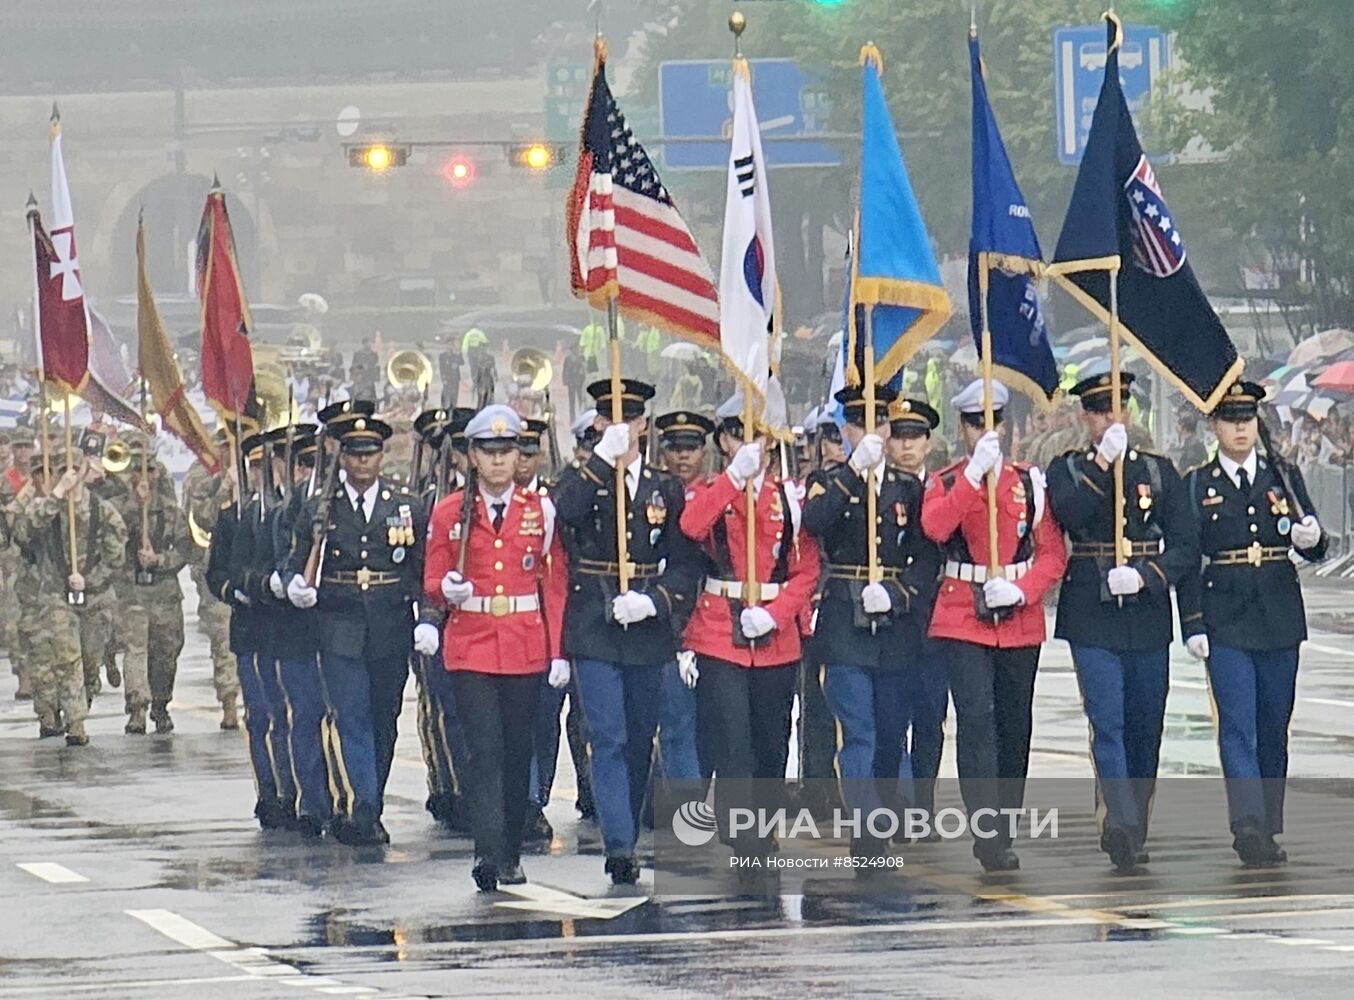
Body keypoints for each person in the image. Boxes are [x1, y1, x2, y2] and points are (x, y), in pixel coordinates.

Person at [1045, 369, 1199, 872]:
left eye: (1118, 408)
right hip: (1092, 606)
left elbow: (1185, 545)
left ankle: (1137, 823)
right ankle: (1118, 822)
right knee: (1107, 720)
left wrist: (1149, 575)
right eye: (1100, 410)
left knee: (1145, 725)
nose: (1112, 417)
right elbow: (1069, 511)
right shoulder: (1067, 468)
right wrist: (1101, 460)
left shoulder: (1157, 471)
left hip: (1146, 609)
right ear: (1085, 417)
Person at [552, 378, 702, 884]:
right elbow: (564, 512)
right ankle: (620, 845)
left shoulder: (664, 487)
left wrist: (655, 601)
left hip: (646, 624)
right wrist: (600, 462)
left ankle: (630, 825)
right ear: (597, 423)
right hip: (595, 621)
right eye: (608, 418)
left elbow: (684, 562)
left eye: (630, 418)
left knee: (640, 736)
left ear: (643, 425)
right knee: (608, 735)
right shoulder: (581, 477)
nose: (620, 426)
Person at [1178, 381, 1328, 867]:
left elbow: (1314, 540)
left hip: (1279, 612)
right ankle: (1247, 824)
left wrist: (1313, 539)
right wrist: (1194, 622)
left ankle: (1268, 820)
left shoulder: (1282, 474)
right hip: (1226, 615)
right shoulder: (1198, 484)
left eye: (1247, 419)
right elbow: (1187, 558)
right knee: (1238, 725)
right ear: (1214, 425)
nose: (1240, 428)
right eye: (1231, 419)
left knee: (1273, 724)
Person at [921, 379, 1067, 871]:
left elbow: (1051, 555)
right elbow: (937, 527)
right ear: (962, 428)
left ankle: (1004, 824)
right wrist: (972, 477)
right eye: (975, 422)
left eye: (993, 421)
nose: (986, 430)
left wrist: (1024, 590)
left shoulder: (1029, 482)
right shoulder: (944, 481)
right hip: (962, 611)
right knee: (977, 720)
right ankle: (987, 831)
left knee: (1013, 723)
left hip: (1017, 612)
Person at [424, 405, 570, 890]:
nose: (500, 461)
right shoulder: (449, 511)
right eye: (489, 452)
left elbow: (553, 583)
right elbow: (430, 579)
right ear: (473, 456)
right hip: (472, 643)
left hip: (524, 642)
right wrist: (448, 588)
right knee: (483, 751)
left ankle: (510, 849)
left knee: (515, 751)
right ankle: (488, 851)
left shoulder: (539, 510)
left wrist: (557, 652)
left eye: (507, 451)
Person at [682, 394, 820, 861]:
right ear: (723, 440)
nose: (749, 443)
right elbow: (691, 525)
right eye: (739, 434)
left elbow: (806, 571)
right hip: (720, 629)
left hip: (775, 631)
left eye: (758, 435)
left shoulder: (789, 498)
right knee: (732, 736)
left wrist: (777, 613)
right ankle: (744, 834)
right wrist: (732, 478)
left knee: (771, 737)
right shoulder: (709, 490)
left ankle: (762, 828)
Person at [285, 411, 427, 846]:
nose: (363, 462)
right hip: (338, 621)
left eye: (371, 453)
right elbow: (296, 559)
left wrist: (429, 615)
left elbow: (421, 566)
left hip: (390, 620)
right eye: (354, 453)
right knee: (352, 717)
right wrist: (297, 584)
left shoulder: (406, 504)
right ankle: (363, 807)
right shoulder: (317, 507)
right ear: (341, 457)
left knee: (385, 718)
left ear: (382, 456)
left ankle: (371, 797)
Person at [801, 389, 932, 862]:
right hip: (843, 621)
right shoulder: (830, 481)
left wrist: (898, 593)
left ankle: (889, 807)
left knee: (892, 725)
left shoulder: (907, 488)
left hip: (893, 621)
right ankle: (866, 824)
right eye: (859, 427)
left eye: (880, 426)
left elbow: (927, 555)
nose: (871, 435)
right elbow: (815, 521)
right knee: (857, 729)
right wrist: (855, 471)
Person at [13, 451, 127, 745]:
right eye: (64, 469)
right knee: (67, 659)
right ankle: (76, 725)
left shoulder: (103, 512)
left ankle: (80, 702)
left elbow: (116, 558)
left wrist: (89, 580)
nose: (71, 474)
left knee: (90, 662)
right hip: (56, 597)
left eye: (75, 469)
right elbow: (24, 531)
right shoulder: (47, 508)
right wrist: (58, 493)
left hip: (95, 598)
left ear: (86, 470)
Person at [883, 396, 948, 838]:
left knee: (930, 716)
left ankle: (921, 802)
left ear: (928, 443)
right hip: (888, 618)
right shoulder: (874, 488)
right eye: (898, 436)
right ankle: (898, 803)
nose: (907, 446)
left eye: (915, 437)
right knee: (890, 716)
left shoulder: (941, 488)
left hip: (934, 618)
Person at [117, 435, 191, 735]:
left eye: (149, 470)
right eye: (138, 470)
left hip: (164, 592)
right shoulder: (120, 510)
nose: (143, 477)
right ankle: (137, 708)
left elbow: (186, 549)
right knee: (136, 651)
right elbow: (109, 546)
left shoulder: (171, 512)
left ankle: (161, 704)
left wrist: (160, 559)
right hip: (132, 591)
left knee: (166, 651)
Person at [183, 431, 240, 729]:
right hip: (217, 567)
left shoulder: (257, 470)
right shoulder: (204, 478)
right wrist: (225, 486)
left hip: (252, 566)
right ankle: (229, 702)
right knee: (223, 639)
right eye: (225, 446)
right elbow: (203, 518)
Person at [562, 346, 588, 423]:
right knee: (572, 401)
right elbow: (565, 370)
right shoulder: (568, 359)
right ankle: (572, 419)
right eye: (575, 349)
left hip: (580, 382)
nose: (576, 350)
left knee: (581, 400)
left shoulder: (581, 358)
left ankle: (582, 416)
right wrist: (565, 380)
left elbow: (584, 369)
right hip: (571, 382)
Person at [439, 345, 462, 409]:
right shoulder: (442, 356)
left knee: (455, 393)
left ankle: (453, 406)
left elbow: (462, 362)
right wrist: (443, 378)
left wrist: (460, 353)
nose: (450, 349)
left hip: (455, 377)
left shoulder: (455, 355)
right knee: (446, 392)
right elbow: (441, 368)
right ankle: (443, 406)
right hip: (447, 377)